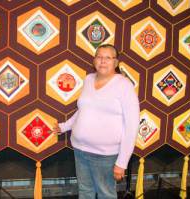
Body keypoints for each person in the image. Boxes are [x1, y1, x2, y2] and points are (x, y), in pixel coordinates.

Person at [53, 44, 140, 199]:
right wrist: (64, 126)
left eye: (108, 57)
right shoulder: (88, 79)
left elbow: (132, 126)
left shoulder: (124, 85)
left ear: (116, 62)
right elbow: (84, 110)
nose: (103, 61)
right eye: (99, 57)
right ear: (94, 61)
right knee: (85, 192)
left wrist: (122, 162)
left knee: (106, 194)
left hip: (105, 155)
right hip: (80, 150)